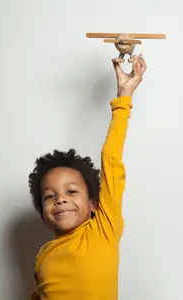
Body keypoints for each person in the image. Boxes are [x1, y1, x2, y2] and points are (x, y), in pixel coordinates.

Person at [28, 53, 147, 300]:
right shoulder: (44, 255)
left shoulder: (103, 229)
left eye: (71, 191)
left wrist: (124, 98)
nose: (60, 199)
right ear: (42, 211)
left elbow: (111, 159)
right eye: (50, 196)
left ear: (94, 204)